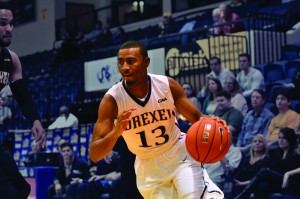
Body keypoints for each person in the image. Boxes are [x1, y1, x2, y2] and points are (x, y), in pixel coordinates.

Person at [89, 40, 224, 199]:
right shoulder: (112, 100)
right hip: (148, 166)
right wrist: (115, 133)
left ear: (146, 62)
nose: (125, 67)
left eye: (131, 61)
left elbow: (196, 117)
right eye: (121, 62)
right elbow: (95, 154)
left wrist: (211, 124)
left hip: (178, 153)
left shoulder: (167, 85)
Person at [0, 3, 46, 199]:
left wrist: (35, 120)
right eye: (2, 23)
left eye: (11, 24)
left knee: (23, 189)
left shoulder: (11, 59)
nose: (9, 29)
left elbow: (22, 95)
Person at [235, 128, 300, 199]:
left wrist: (288, 173)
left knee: (264, 171)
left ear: (290, 139)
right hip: (279, 184)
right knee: (262, 185)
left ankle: (242, 196)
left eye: (284, 138)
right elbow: (262, 146)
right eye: (279, 138)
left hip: (293, 185)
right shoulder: (275, 152)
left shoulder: (296, 153)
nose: (281, 140)